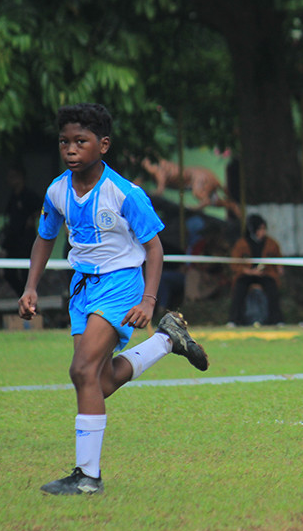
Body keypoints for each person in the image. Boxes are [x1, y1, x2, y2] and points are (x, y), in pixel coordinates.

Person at [18, 103, 210, 496]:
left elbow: (154, 249)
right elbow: (45, 238)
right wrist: (31, 286)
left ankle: (88, 476)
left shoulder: (124, 193)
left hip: (121, 285)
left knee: (81, 370)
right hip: (81, 288)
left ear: (102, 145)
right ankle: (167, 340)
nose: (70, 149)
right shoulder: (57, 190)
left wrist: (149, 300)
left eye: (80, 141)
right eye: (64, 142)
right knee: (99, 381)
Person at [228, 213, 284, 326]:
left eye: (264, 229)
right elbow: (234, 264)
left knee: (272, 287)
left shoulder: (271, 244)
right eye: (259, 229)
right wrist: (249, 271)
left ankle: (276, 319)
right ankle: (234, 320)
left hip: (265, 274)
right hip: (246, 274)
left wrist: (279, 268)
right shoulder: (241, 244)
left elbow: (278, 259)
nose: (262, 232)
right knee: (239, 288)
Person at [0, 164, 43, 294]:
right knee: (8, 273)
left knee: (26, 273)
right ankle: (22, 295)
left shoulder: (29, 195)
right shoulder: (13, 196)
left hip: (26, 240)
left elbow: (43, 207)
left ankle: (30, 302)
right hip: (13, 240)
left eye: (13, 177)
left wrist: (32, 218)